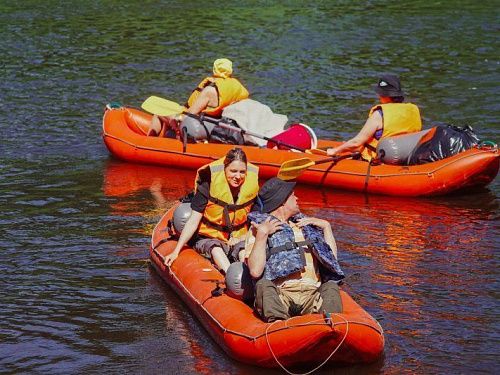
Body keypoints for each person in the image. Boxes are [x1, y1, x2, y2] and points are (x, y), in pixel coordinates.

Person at [245, 177, 344, 322]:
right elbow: (255, 271)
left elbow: (332, 261)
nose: (297, 198)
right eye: (292, 195)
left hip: (312, 295)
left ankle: (328, 326)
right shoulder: (258, 229)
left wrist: (326, 227)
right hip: (281, 294)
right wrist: (262, 234)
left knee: (331, 287)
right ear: (282, 201)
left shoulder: (306, 226)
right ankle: (277, 325)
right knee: (263, 286)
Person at [163, 148, 259, 273]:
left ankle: (249, 279)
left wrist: (246, 239)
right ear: (225, 169)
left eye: (242, 172)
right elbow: (193, 221)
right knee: (215, 249)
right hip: (209, 237)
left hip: (238, 238)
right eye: (233, 171)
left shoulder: (250, 188)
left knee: (242, 251)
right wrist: (176, 251)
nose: (238, 176)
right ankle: (228, 274)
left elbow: (256, 220)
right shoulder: (208, 183)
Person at [327, 74, 422, 161]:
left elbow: (356, 142)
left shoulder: (379, 114)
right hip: (405, 156)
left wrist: (335, 151)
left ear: (384, 95)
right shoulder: (413, 110)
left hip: (378, 159)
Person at [149, 58, 250, 137]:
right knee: (173, 112)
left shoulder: (209, 91)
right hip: (216, 123)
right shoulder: (236, 87)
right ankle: (168, 140)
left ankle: (148, 143)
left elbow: (188, 114)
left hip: (199, 124)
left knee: (159, 113)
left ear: (214, 70)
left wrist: (176, 118)